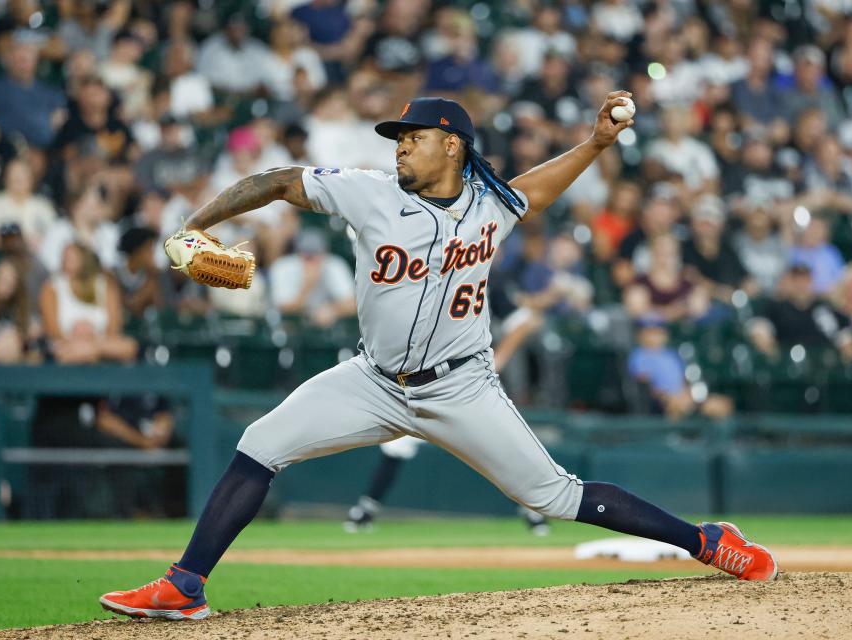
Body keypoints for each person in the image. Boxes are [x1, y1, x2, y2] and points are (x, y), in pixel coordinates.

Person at [99, 92, 778, 622]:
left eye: (413, 139)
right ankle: (185, 586)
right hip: (372, 379)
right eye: (398, 140)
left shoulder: (491, 203)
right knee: (259, 443)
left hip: (462, 388)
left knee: (557, 495)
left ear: (451, 145)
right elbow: (278, 181)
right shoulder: (368, 192)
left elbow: (537, 189)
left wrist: (598, 143)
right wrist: (196, 227)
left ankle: (705, 540)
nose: (399, 150)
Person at [344, 436, 552, 536]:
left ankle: (532, 510)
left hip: (462, 385)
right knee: (394, 448)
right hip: (418, 391)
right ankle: (366, 511)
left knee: (498, 450)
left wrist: (499, 359)